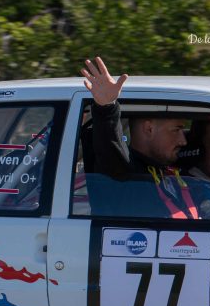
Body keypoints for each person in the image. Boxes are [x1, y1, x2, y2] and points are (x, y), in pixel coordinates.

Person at [81, 56, 201, 219]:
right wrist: (106, 108)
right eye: (176, 130)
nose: (183, 141)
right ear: (149, 129)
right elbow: (110, 149)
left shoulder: (172, 174)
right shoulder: (124, 173)